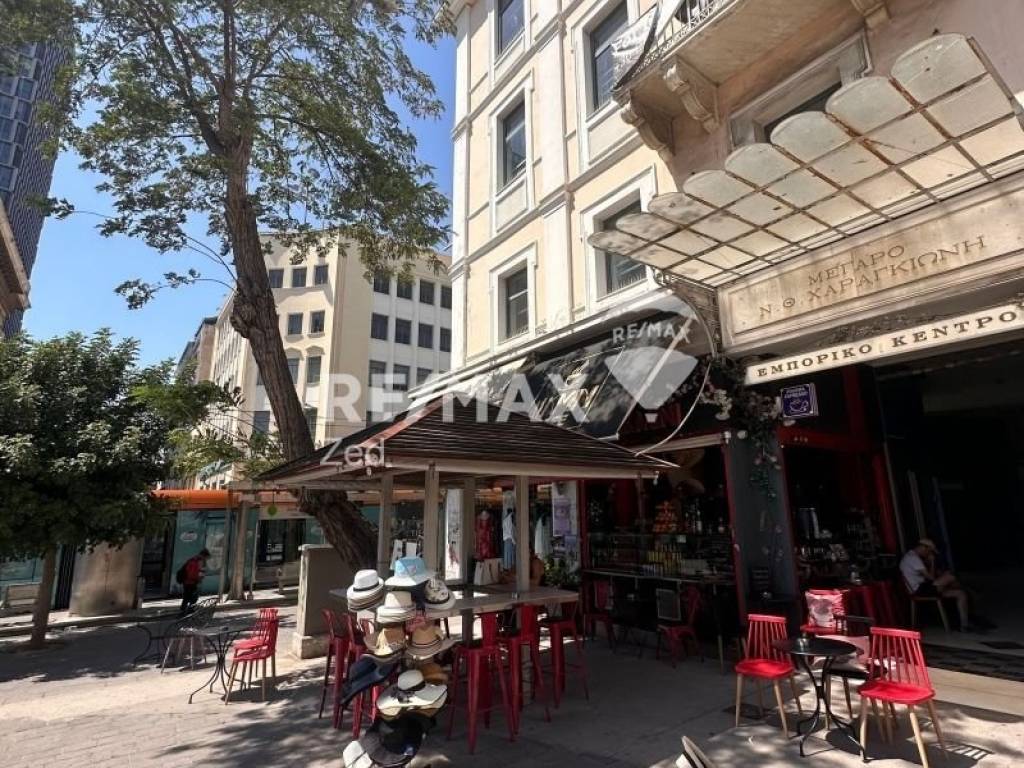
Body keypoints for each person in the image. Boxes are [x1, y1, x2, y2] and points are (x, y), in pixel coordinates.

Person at [900, 538, 972, 631]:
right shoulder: (913, 558)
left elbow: (929, 578)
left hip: (924, 587)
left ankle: (964, 626)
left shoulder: (912, 556)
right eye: (929, 551)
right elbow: (931, 577)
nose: (929, 554)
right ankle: (968, 588)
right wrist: (932, 562)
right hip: (919, 590)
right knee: (950, 576)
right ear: (923, 548)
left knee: (961, 594)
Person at [179, 549, 210, 615]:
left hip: (186, 581)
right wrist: (200, 580)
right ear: (205, 556)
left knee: (186, 596)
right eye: (207, 557)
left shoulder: (193, 559)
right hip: (194, 582)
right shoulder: (202, 562)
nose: (207, 559)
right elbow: (201, 573)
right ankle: (190, 610)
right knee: (194, 597)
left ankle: (182, 610)